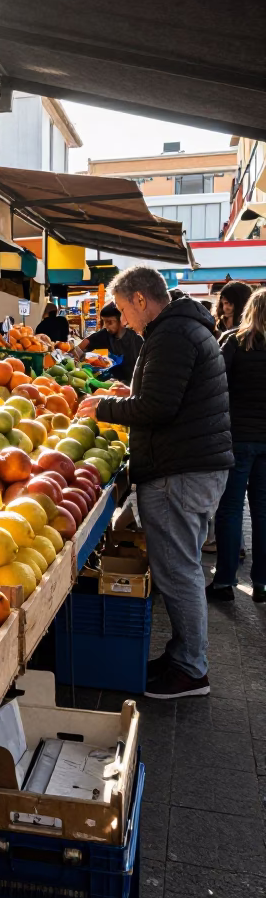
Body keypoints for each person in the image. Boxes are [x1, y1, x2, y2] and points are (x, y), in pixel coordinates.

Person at [77, 266, 232, 700]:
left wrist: (106, 409)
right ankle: (183, 654)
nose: (124, 321)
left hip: (181, 470)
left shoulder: (172, 334)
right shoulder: (182, 328)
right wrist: (130, 396)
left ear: (141, 300)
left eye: (125, 310)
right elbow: (167, 397)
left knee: (179, 571)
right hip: (192, 465)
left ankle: (191, 670)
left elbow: (161, 407)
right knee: (180, 567)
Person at [208, 288, 266, 603]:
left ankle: (225, 582)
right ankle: (262, 583)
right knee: (263, 511)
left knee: (230, 509)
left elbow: (213, 382)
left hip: (237, 437)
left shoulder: (234, 341)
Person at [74, 303, 143, 384]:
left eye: (110, 322)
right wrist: (75, 354)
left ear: (121, 320)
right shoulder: (106, 334)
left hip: (134, 382)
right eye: (104, 322)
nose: (106, 326)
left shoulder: (135, 338)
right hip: (115, 382)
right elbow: (87, 341)